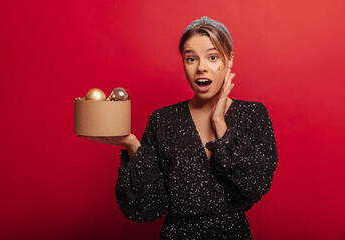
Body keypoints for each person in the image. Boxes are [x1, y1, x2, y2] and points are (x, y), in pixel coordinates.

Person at [81, 16, 278, 240]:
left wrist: (219, 123)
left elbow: (255, 184)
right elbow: (148, 207)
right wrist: (132, 145)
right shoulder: (162, 120)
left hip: (233, 233)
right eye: (191, 59)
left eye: (212, 57)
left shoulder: (253, 114)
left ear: (229, 59)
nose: (201, 68)